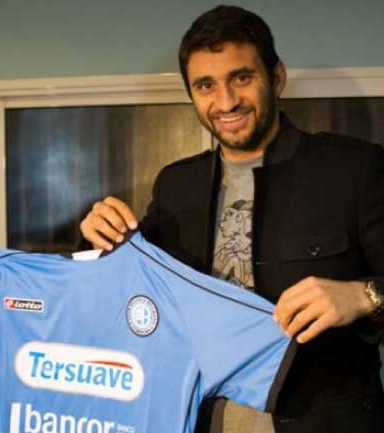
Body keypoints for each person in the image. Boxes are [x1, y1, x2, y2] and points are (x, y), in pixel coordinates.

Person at [80, 5, 384, 433]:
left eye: (241, 78)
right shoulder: (175, 184)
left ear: (276, 77)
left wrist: (364, 295)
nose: (225, 102)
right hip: (196, 419)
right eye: (206, 85)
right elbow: (129, 284)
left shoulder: (356, 169)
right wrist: (99, 239)